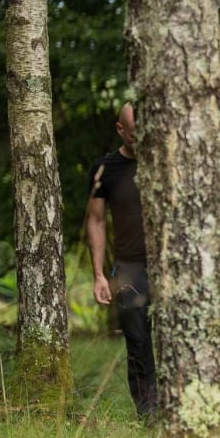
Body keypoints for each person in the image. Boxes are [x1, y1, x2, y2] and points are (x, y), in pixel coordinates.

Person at [85, 103, 156, 418]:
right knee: (138, 342)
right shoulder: (106, 168)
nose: (140, 139)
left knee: (174, 339)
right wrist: (99, 274)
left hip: (170, 265)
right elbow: (96, 220)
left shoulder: (166, 162)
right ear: (120, 130)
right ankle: (149, 415)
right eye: (133, 132)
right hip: (128, 268)